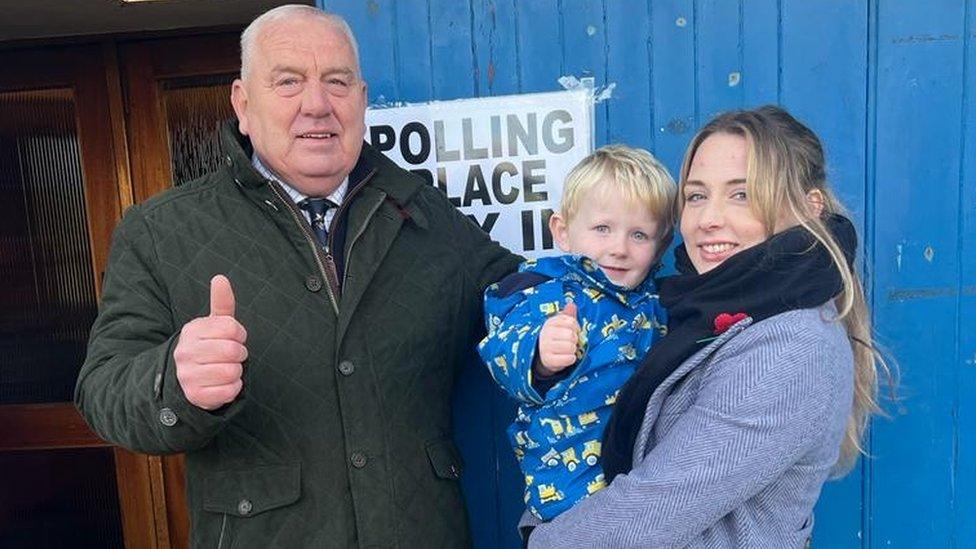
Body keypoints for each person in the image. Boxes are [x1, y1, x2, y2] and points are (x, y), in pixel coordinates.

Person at [74, 5, 519, 547]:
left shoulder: (425, 213)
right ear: (243, 102)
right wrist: (173, 381)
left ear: (361, 98)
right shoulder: (160, 231)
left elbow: (521, 302)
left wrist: (611, 275)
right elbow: (101, 392)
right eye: (289, 81)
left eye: (337, 82)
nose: (317, 104)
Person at [523, 106, 889, 548]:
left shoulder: (791, 344)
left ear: (809, 208)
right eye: (697, 196)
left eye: (742, 195)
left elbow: (658, 504)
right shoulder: (702, 313)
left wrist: (542, 541)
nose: (708, 218)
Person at [478, 146, 675, 521]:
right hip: (570, 488)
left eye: (639, 235)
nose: (618, 248)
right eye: (602, 229)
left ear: (660, 246)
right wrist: (539, 355)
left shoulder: (661, 303)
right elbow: (502, 351)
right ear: (563, 231)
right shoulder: (546, 292)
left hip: (643, 486)